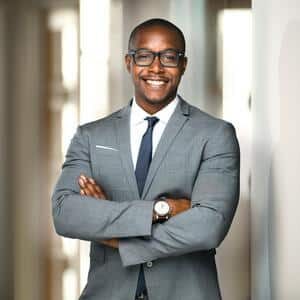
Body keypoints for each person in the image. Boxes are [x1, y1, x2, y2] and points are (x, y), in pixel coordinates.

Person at [52, 18, 240, 300]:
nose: (155, 67)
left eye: (168, 56)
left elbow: (208, 226)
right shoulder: (91, 136)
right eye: (144, 56)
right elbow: (66, 213)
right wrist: (162, 209)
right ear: (129, 63)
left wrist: (113, 235)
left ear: (183, 64)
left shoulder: (215, 135)